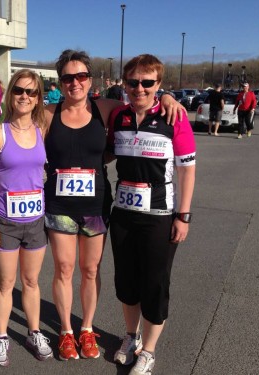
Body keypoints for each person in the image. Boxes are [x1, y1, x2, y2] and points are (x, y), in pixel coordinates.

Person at [0, 49, 185, 362]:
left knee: (90, 270)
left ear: (91, 80)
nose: (75, 82)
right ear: (61, 82)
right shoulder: (48, 114)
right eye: (68, 77)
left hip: (96, 204)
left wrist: (168, 97)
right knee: (64, 269)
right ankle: (65, 330)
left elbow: (141, 98)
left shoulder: (106, 108)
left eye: (81, 76)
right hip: (59, 204)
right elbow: (18, 123)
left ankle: (87, 328)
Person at [106, 54, 196, 375]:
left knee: (155, 283)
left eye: (148, 83)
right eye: (133, 82)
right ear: (124, 84)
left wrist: (183, 216)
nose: (139, 89)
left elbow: (187, 171)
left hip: (160, 214)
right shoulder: (118, 116)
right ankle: (131, 337)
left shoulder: (175, 118)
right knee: (126, 281)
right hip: (124, 214)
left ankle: (150, 350)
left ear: (159, 85)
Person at [0, 68, 53, 366]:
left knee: (32, 281)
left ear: (38, 98)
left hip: (36, 221)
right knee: (5, 283)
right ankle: (1, 337)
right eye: (19, 91)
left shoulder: (43, 128)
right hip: (5, 222)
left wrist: (164, 97)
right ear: (10, 94)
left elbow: (82, 106)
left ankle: (33, 332)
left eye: (31, 92)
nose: (25, 96)